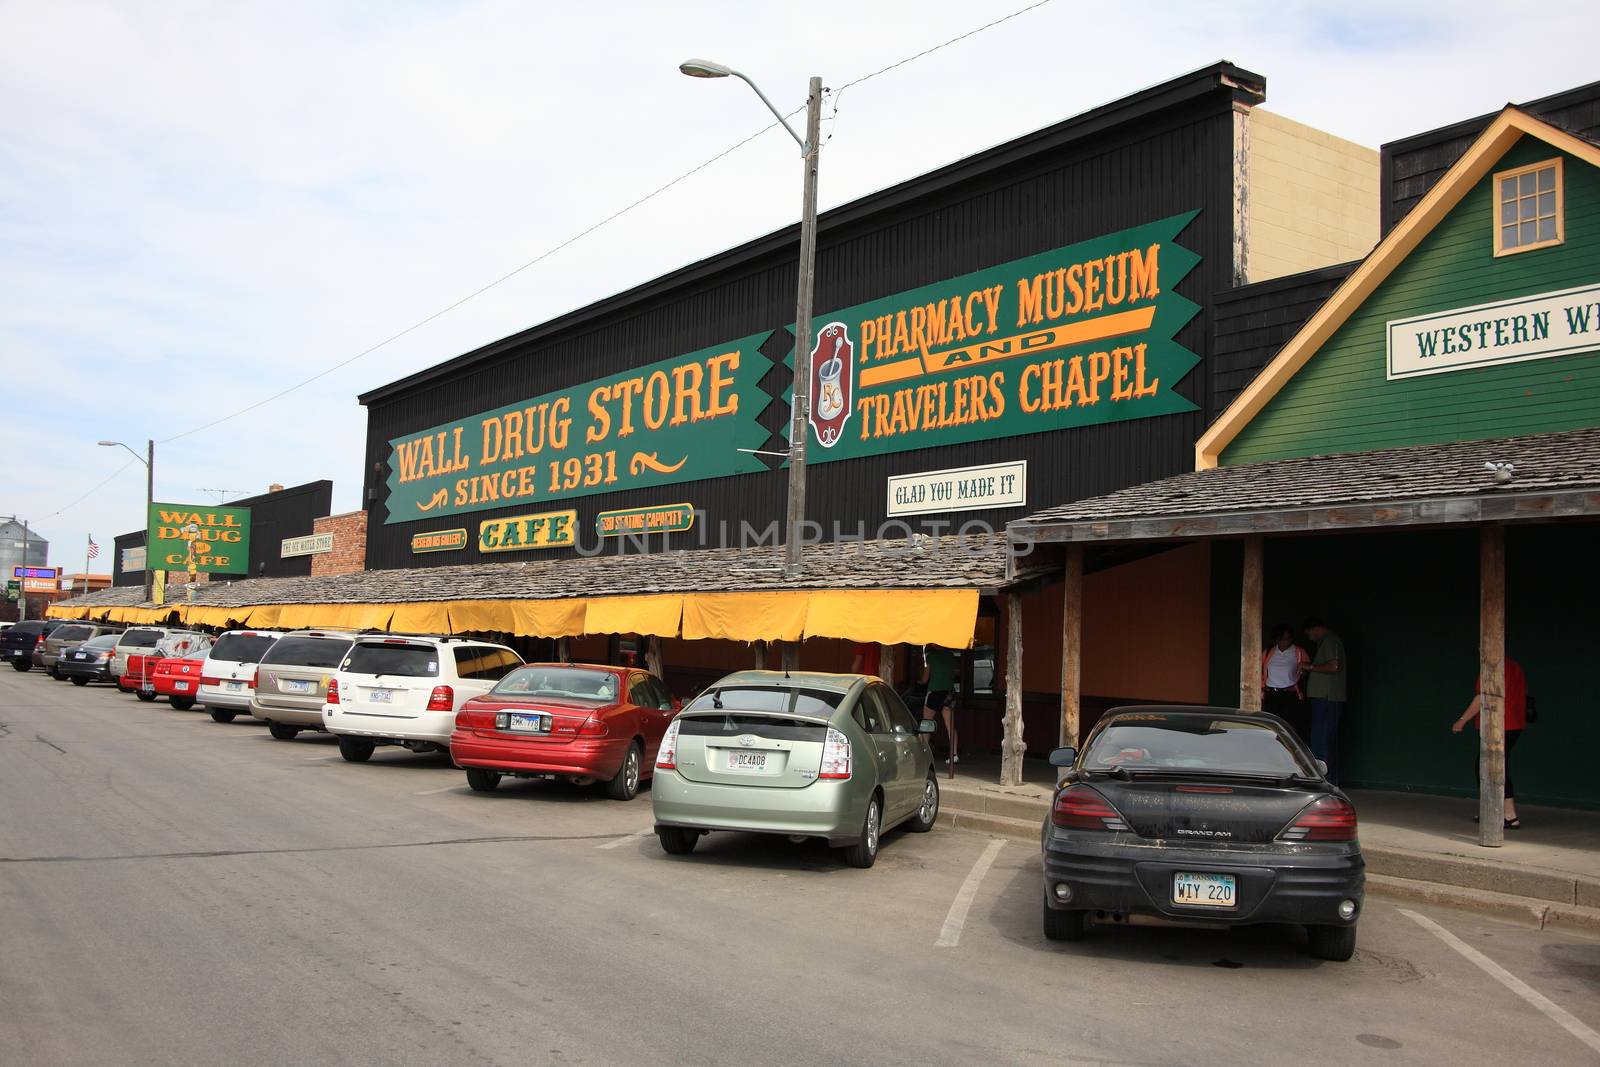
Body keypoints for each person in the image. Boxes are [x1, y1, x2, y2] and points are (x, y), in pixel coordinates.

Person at [1452, 657, 1528, 830]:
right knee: (1495, 765)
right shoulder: (1515, 665)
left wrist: (1461, 721)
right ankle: (1494, 810)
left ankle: (1509, 815)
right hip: (1515, 723)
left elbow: (1482, 697)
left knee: (1491, 766)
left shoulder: (1492, 666)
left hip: (1500, 724)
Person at [1302, 617, 1347, 784]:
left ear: (1316, 628)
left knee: (1323, 739)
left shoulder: (1329, 640)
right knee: (1323, 738)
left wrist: (1310, 667)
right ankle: (1327, 779)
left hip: (1328, 697)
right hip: (1324, 697)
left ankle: (1325, 780)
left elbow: (1333, 666)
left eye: (1310, 634)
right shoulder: (1326, 642)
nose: (1310, 637)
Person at [1260, 623, 1310, 740]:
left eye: (1287, 639)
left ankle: (1289, 754)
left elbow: (1308, 669)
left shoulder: (1298, 652)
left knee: (1290, 727)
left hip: (1289, 694)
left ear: (1292, 639)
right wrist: (1261, 689)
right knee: (1270, 727)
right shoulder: (1268, 652)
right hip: (1271, 694)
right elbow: (1259, 670)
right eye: (1281, 639)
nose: (1284, 642)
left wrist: (1303, 670)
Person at [920, 644, 958, 773]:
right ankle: (954, 754)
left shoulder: (930, 657)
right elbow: (954, 673)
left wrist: (919, 682)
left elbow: (925, 679)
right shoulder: (951, 656)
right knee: (950, 725)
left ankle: (925, 753)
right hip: (948, 692)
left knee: (927, 723)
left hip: (934, 691)